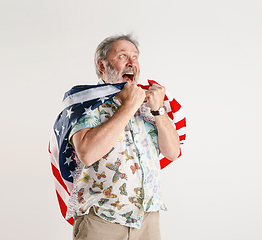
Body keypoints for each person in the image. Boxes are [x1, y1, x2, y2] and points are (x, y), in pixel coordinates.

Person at [67, 34, 181, 240]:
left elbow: (173, 152)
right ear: (102, 65)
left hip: (147, 220)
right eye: (122, 56)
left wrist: (159, 111)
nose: (132, 63)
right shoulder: (85, 103)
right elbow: (87, 153)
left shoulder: (150, 105)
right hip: (101, 220)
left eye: (135, 57)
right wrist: (128, 105)